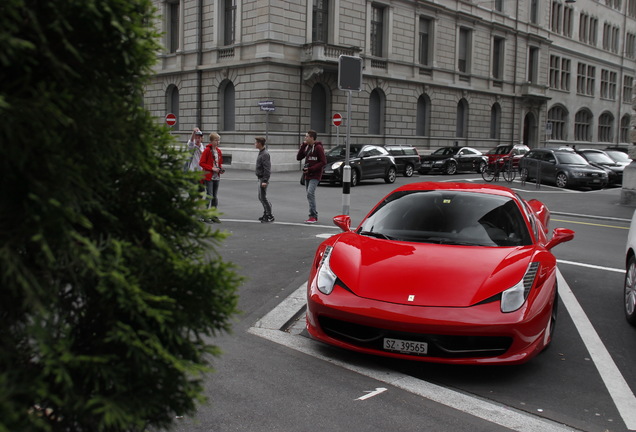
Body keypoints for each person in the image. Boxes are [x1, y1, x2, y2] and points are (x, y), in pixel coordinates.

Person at [296, 129, 326, 224]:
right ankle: (312, 215)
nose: (305, 138)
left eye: (306, 136)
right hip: (307, 174)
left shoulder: (318, 148)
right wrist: (303, 146)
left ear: (311, 137)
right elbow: (299, 157)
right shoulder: (307, 147)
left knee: (310, 193)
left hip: (315, 175)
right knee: (309, 195)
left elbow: (323, 162)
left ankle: (313, 216)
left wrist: (312, 169)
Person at [199, 132, 224, 223]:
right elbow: (201, 163)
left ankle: (213, 215)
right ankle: (204, 215)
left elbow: (219, 162)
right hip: (209, 176)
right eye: (216, 140)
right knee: (209, 195)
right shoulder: (207, 150)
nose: (218, 142)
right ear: (211, 141)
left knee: (214, 197)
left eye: (218, 140)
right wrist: (212, 168)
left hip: (216, 176)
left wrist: (220, 168)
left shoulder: (219, 151)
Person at [254, 137, 274, 223]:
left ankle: (269, 215)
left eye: (256, 142)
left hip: (263, 178)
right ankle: (266, 213)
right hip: (260, 177)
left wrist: (265, 180)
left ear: (259, 143)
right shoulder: (261, 153)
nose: (255, 144)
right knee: (261, 197)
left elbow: (267, 168)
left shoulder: (265, 154)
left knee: (263, 197)